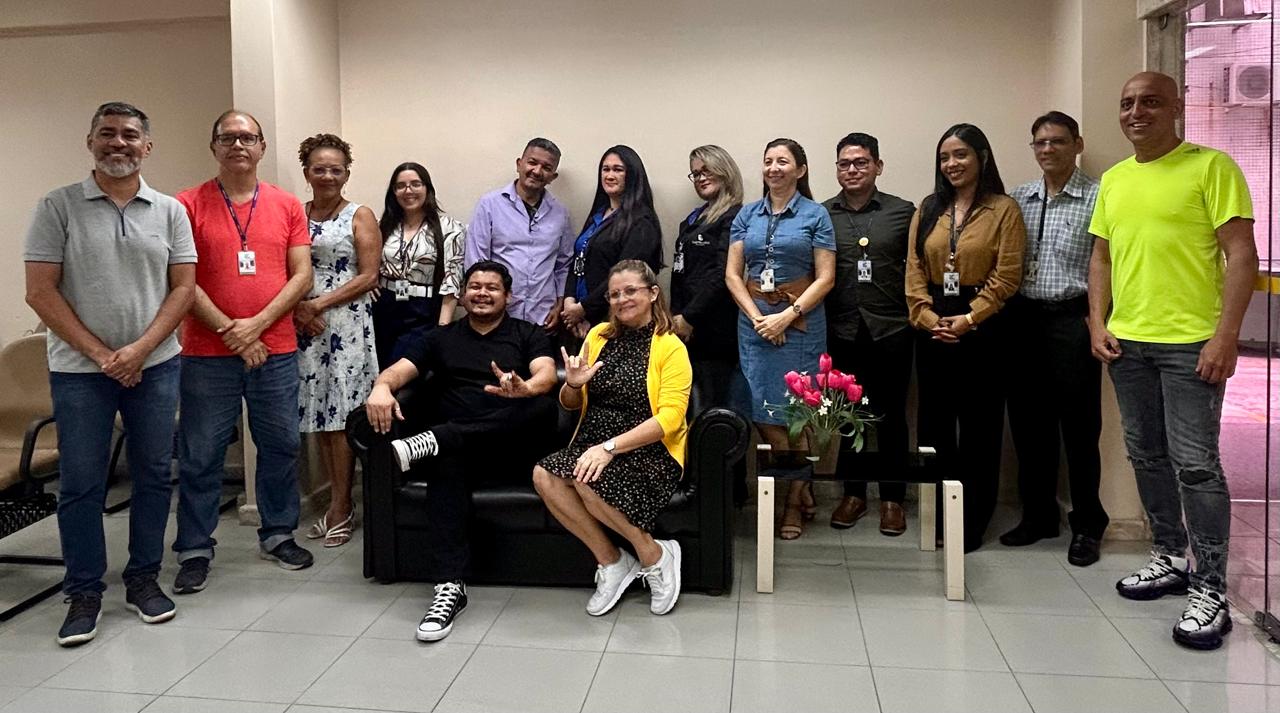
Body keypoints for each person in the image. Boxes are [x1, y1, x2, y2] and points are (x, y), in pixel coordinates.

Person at [1088, 72, 1256, 650]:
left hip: (1191, 344)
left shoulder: (1212, 167)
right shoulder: (1113, 180)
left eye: (1151, 102)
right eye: (1128, 103)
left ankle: (1210, 588)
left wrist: (1226, 335)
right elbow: (1102, 259)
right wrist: (1097, 321)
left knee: (1196, 465)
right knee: (1147, 456)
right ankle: (1168, 556)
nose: (1137, 112)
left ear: (1176, 108)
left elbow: (1241, 255)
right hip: (1127, 343)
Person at [24, 102, 196, 646]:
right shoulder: (58, 206)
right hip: (80, 372)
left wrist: (140, 350)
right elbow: (40, 291)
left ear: (147, 146)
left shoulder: (169, 210)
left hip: (156, 366)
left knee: (152, 475)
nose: (117, 144)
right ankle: (84, 592)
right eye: (107, 134)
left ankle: (143, 579)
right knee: (81, 484)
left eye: (129, 135)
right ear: (90, 141)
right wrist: (104, 355)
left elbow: (184, 289)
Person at [365, 260, 558, 641]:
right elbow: (397, 371)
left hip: (511, 449)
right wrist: (380, 388)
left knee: (542, 405)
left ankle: (438, 439)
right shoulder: (441, 337)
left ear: (508, 296)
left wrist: (525, 388)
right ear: (464, 293)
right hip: (460, 454)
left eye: (492, 287)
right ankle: (449, 587)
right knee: (446, 462)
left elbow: (548, 375)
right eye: (475, 286)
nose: (482, 293)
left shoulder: (527, 333)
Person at [173, 109, 316, 594]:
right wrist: (231, 331)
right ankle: (194, 547)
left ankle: (278, 534)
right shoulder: (186, 205)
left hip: (274, 348)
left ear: (262, 147)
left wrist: (254, 327)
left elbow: (302, 276)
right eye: (228, 137)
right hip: (206, 353)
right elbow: (181, 282)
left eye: (248, 137)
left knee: (280, 446)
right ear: (213, 146)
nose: (238, 145)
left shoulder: (287, 205)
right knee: (201, 454)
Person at [534, 260, 691, 616]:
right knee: (544, 474)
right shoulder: (599, 335)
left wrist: (608, 449)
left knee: (586, 474)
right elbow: (571, 403)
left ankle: (655, 555)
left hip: (648, 450)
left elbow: (670, 418)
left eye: (631, 291)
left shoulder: (670, 346)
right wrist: (573, 384)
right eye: (615, 294)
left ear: (653, 294)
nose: (622, 300)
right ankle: (613, 562)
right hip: (593, 444)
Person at [904, 123, 1025, 553]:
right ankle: (937, 517)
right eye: (945, 158)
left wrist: (970, 319)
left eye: (960, 155)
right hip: (933, 326)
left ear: (982, 158)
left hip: (984, 330)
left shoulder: (1004, 209)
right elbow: (915, 270)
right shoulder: (929, 207)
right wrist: (927, 316)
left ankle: (971, 522)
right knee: (934, 427)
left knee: (980, 429)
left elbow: (1008, 275)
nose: (952, 164)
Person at [1002, 112, 1108, 566]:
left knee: (1080, 428)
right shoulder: (1018, 198)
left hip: (1072, 318)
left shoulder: (1099, 197)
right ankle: (1039, 514)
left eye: (1058, 142)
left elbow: (1107, 263)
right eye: (1040, 143)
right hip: (1023, 320)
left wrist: (1100, 320)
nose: (1048, 150)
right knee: (1028, 425)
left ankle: (1087, 523)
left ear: (1077, 144)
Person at [725, 138, 836, 540]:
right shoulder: (746, 215)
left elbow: (826, 277)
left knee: (795, 415)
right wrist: (758, 318)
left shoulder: (815, 215)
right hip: (753, 326)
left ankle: (792, 503)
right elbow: (733, 274)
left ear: (800, 170)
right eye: (768, 161)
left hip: (801, 326)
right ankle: (800, 485)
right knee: (758, 410)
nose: (774, 168)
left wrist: (786, 317)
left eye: (783, 161)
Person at [821, 133, 916, 536]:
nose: (852, 170)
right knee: (847, 417)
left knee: (893, 416)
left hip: (891, 328)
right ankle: (854, 494)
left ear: (878, 166)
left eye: (861, 162)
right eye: (845, 163)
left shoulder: (903, 212)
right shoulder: (822, 214)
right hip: (841, 329)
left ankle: (893, 499)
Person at [293, 133, 380, 548]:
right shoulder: (295, 213)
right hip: (304, 326)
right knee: (319, 420)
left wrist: (318, 305)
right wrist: (299, 309)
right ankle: (333, 502)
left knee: (342, 420)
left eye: (336, 169)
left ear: (347, 172)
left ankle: (344, 506)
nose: (328, 175)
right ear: (306, 171)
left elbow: (368, 276)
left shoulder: (359, 215)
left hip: (344, 325)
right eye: (319, 168)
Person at [465, 138, 575, 331]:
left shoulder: (561, 214)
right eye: (532, 162)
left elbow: (563, 265)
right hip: (497, 318)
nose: (537, 171)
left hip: (543, 319)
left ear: (553, 176)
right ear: (519, 164)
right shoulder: (490, 205)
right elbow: (477, 262)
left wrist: (559, 304)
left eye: (546, 167)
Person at [671, 144, 745, 412]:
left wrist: (689, 317)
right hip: (684, 328)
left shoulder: (735, 216)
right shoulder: (696, 217)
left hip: (714, 330)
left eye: (706, 170)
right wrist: (676, 317)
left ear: (724, 171)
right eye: (695, 174)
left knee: (713, 411)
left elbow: (722, 275)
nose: (700, 178)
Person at [372, 162, 467, 369]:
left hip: (423, 309)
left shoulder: (449, 228)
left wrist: (443, 329)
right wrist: (369, 285)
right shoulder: (383, 224)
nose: (408, 191)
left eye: (415, 184)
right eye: (401, 186)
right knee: (379, 366)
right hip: (385, 306)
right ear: (394, 192)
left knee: (402, 371)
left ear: (427, 189)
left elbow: (452, 280)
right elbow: (369, 264)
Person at [561, 146, 662, 338]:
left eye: (618, 169)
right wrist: (569, 303)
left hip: (614, 321)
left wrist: (584, 309)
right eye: (605, 169)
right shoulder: (597, 216)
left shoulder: (642, 223)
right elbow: (578, 259)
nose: (609, 175)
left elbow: (626, 278)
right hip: (577, 320)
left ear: (632, 175)